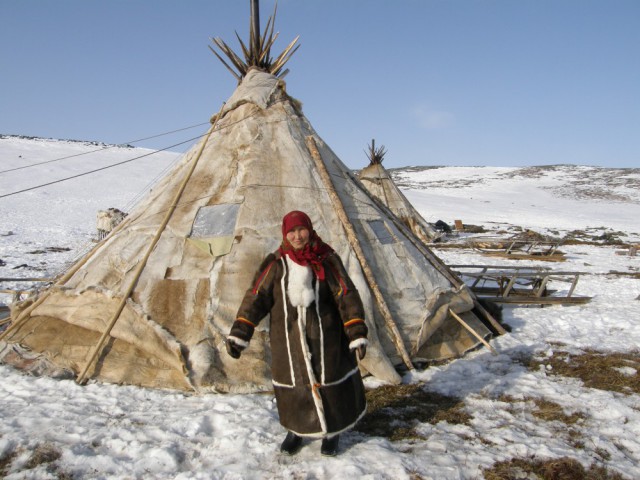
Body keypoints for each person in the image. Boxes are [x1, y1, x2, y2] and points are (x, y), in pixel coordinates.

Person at [226, 210, 368, 456]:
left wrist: (355, 331)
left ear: (310, 230)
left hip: (327, 337)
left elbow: (346, 294)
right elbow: (255, 297)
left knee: (330, 382)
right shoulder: (275, 263)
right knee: (292, 385)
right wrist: (241, 332)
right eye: (291, 231)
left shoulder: (327, 259)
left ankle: (332, 433)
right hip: (288, 340)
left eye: (301, 229)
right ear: (284, 233)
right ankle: (295, 430)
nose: (297, 236)